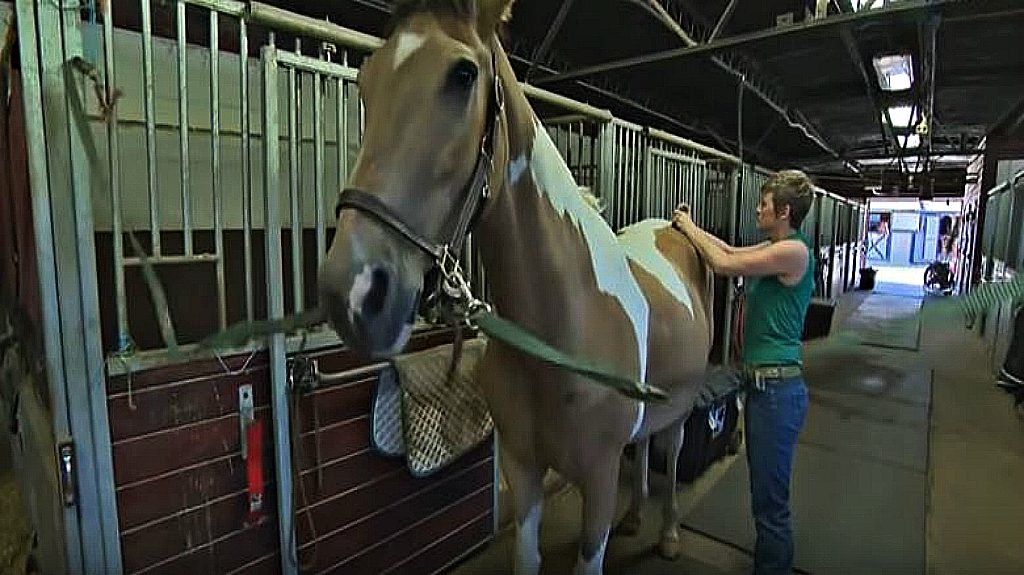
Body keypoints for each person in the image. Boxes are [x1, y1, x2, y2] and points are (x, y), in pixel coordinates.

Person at [672, 169, 816, 575]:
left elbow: (720, 265)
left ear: (784, 211)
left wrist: (684, 226)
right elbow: (731, 251)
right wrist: (693, 229)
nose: (758, 208)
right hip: (762, 388)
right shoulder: (779, 246)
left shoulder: (794, 253)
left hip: (778, 393)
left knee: (771, 501)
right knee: (763, 494)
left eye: (765, 203)